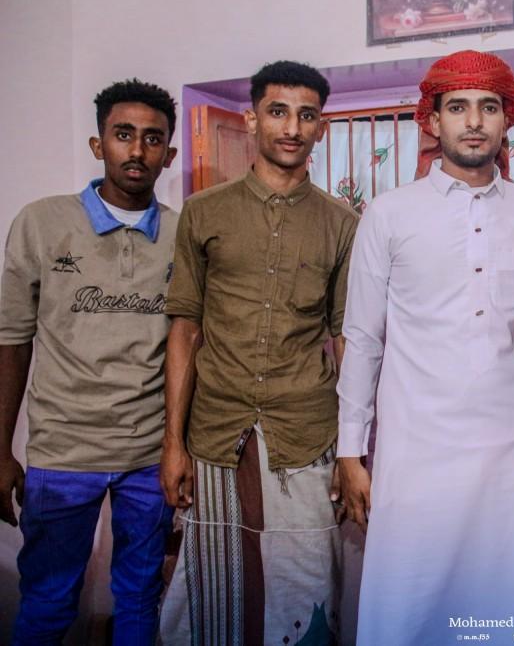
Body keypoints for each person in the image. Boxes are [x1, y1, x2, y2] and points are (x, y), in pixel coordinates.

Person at [335, 49, 514, 646]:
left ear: (507, 120)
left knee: (509, 604)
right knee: (411, 607)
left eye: (489, 107)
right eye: (458, 107)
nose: (474, 122)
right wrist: (350, 451)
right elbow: (362, 338)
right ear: (432, 120)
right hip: (417, 454)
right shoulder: (389, 214)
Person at [159, 60, 359, 645]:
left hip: (306, 432)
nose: (292, 128)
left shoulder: (341, 223)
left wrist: (353, 451)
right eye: (278, 112)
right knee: (212, 591)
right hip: (215, 432)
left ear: (321, 126)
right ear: (251, 120)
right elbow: (184, 330)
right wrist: (172, 443)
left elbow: (347, 338)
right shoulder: (205, 212)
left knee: (307, 587)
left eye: (306, 115)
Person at [0, 79, 178, 645]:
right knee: (48, 602)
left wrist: (180, 448)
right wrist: (0, 450)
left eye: (153, 139)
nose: (138, 150)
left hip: (148, 456)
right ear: (98, 145)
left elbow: (190, 345)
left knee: (140, 599)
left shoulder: (181, 234)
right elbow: (11, 340)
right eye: (123, 135)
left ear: (170, 154)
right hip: (63, 452)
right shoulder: (42, 223)